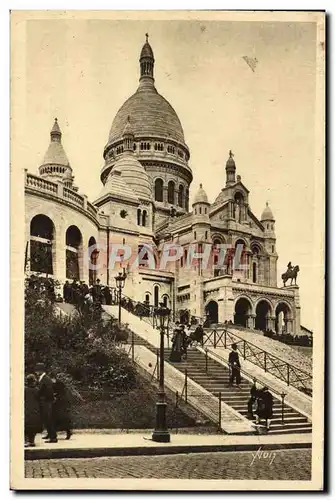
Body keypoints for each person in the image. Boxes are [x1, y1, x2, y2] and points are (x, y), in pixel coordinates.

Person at [35, 363, 58, 443]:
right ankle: (50, 434)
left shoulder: (46, 378)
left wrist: (43, 398)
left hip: (46, 401)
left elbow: (49, 391)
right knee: (46, 419)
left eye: (37, 370)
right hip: (45, 401)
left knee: (48, 419)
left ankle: (53, 437)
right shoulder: (43, 378)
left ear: (41, 370)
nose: (36, 372)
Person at [24, 373, 42, 447]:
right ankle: (32, 441)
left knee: (26, 426)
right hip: (35, 409)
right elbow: (40, 399)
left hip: (26, 409)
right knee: (33, 426)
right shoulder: (36, 390)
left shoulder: (24, 389)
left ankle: (27, 440)